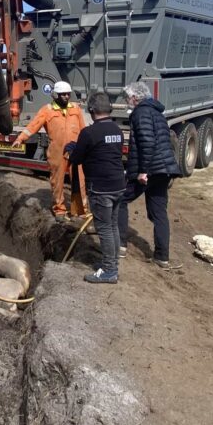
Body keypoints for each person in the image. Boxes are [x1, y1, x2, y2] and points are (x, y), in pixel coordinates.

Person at [118, 81, 181, 267]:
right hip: (164, 170)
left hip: (150, 169)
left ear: (135, 98)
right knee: (159, 212)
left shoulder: (140, 113)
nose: (127, 101)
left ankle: (120, 245)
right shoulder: (157, 113)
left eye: (128, 98)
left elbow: (147, 142)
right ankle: (162, 256)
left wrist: (143, 171)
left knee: (121, 199)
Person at [69, 91, 126, 283]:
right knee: (113, 225)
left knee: (104, 229)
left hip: (101, 189)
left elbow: (76, 159)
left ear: (92, 110)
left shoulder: (89, 133)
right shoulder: (117, 131)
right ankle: (113, 262)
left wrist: (71, 149)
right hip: (118, 185)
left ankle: (109, 270)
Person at [10, 81, 86, 219]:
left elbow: (83, 130)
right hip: (57, 153)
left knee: (79, 181)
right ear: (55, 95)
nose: (66, 97)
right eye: (63, 94)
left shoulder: (76, 109)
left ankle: (80, 210)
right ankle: (60, 209)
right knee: (57, 181)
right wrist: (20, 138)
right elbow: (33, 126)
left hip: (76, 151)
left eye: (68, 94)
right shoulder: (47, 110)